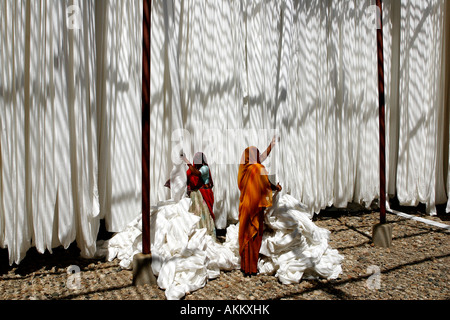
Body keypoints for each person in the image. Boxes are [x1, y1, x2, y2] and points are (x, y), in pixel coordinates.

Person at [238, 137, 281, 276]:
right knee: (255, 236)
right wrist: (276, 187)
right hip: (256, 209)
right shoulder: (258, 168)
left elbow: (259, 159)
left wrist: (271, 146)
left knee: (245, 236)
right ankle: (252, 268)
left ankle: (245, 267)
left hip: (245, 207)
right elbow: (266, 183)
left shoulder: (245, 168)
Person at [180, 152, 217, 240]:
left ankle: (207, 233)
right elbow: (186, 177)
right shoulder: (192, 169)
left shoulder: (205, 168)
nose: (197, 161)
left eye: (198, 159)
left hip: (204, 195)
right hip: (196, 196)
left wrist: (187, 161)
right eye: (195, 159)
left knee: (205, 214)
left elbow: (197, 173)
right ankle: (197, 235)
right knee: (196, 214)